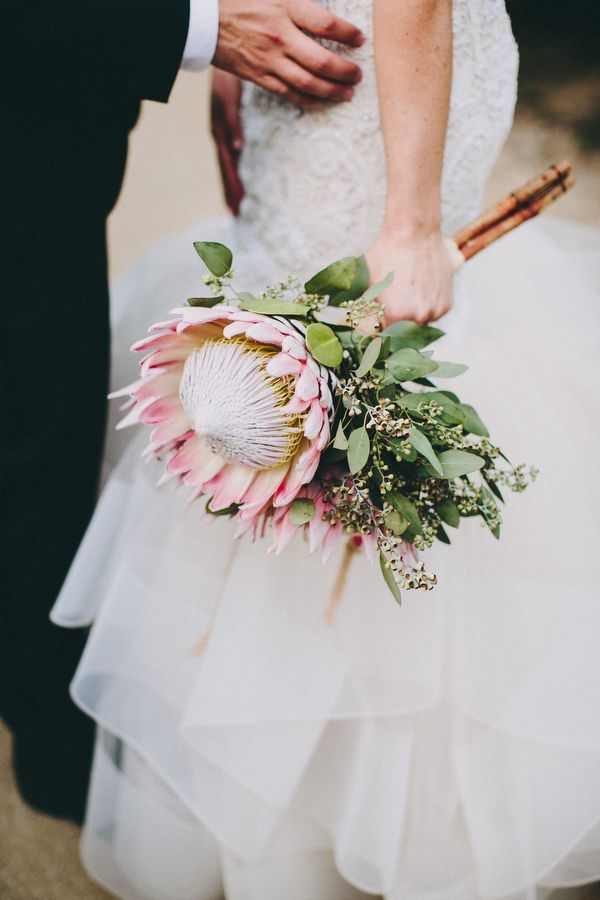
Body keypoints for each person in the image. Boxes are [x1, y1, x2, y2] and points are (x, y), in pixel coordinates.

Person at [52, 0, 600, 896]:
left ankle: (372, 812)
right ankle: (272, 802)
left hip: (388, 66)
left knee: (375, 371)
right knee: (275, 370)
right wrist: (230, 51)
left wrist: (415, 220)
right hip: (300, 54)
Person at [1, 0, 364, 823]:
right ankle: (51, 732)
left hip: (55, 130)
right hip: (23, 142)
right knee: (34, 429)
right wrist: (196, 30)